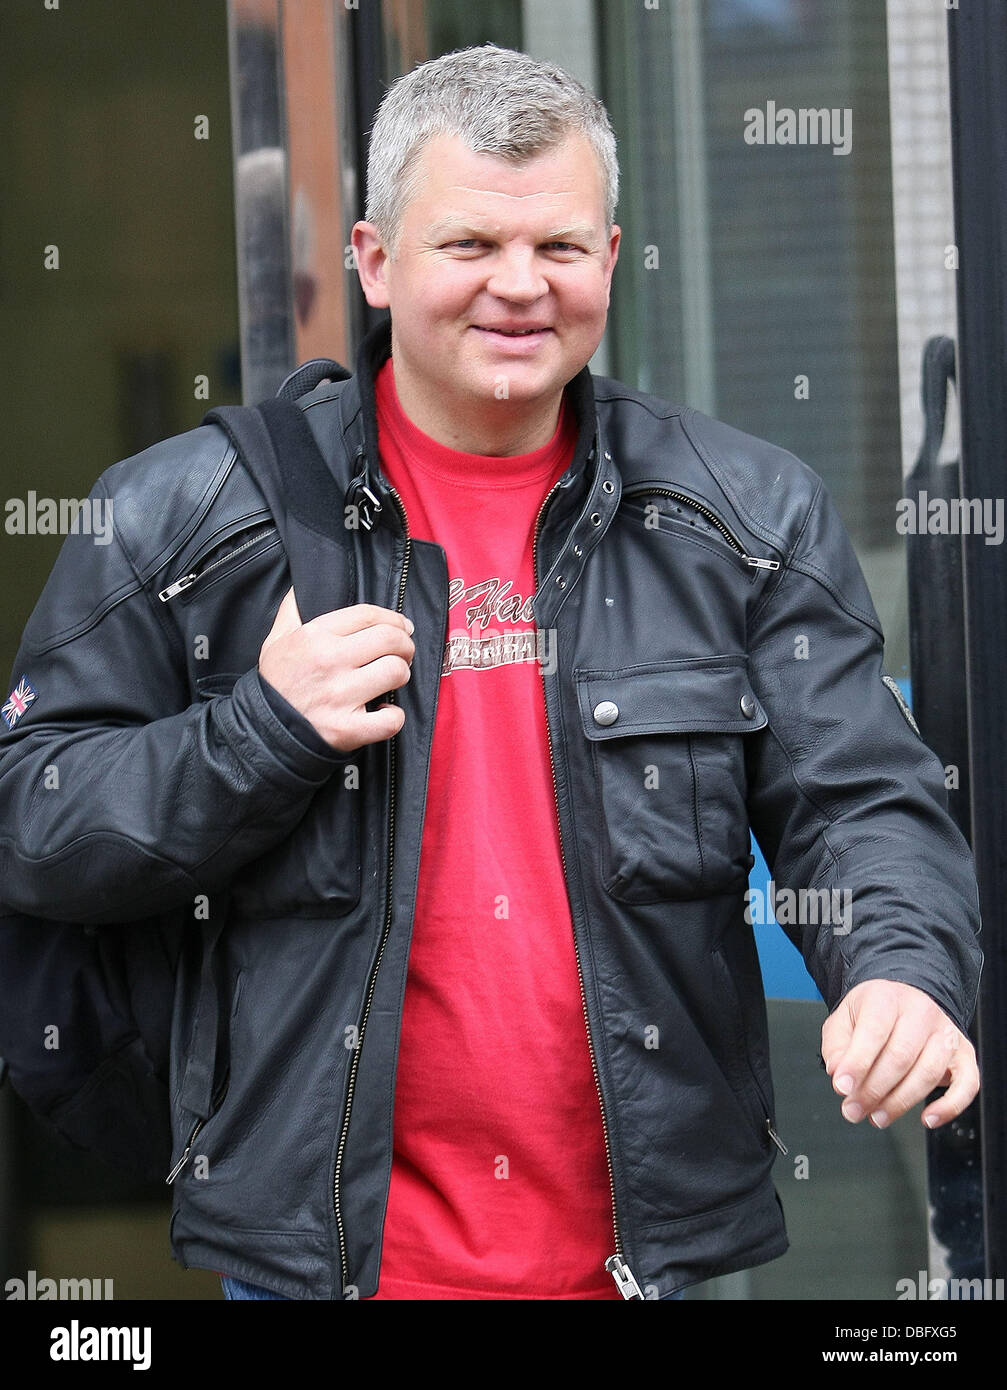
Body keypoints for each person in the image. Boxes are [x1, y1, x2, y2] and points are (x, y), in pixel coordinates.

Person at [0, 45, 981, 1302]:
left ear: (613, 263)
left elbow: (859, 801)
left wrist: (899, 967)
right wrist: (256, 732)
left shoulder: (742, 517)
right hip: (324, 1274)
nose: (519, 288)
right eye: (468, 245)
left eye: (560, 249)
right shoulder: (185, 521)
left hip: (639, 1266)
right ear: (372, 260)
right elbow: (32, 815)